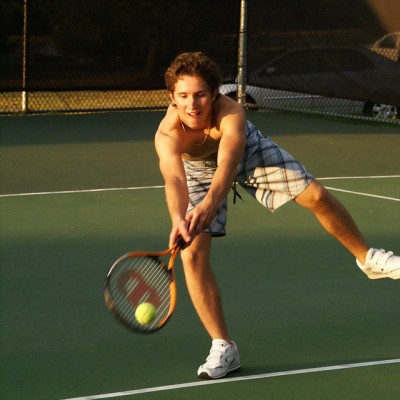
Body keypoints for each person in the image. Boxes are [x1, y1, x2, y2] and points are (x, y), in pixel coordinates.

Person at [154, 51, 400, 380]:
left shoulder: (232, 114)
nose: (192, 104)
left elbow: (228, 165)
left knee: (316, 195)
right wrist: (178, 219)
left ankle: (368, 258)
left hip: (243, 151)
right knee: (192, 254)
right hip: (195, 170)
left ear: (214, 93)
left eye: (200, 95)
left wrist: (209, 205)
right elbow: (174, 179)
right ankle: (223, 347)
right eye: (183, 96)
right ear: (172, 97)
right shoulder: (167, 134)